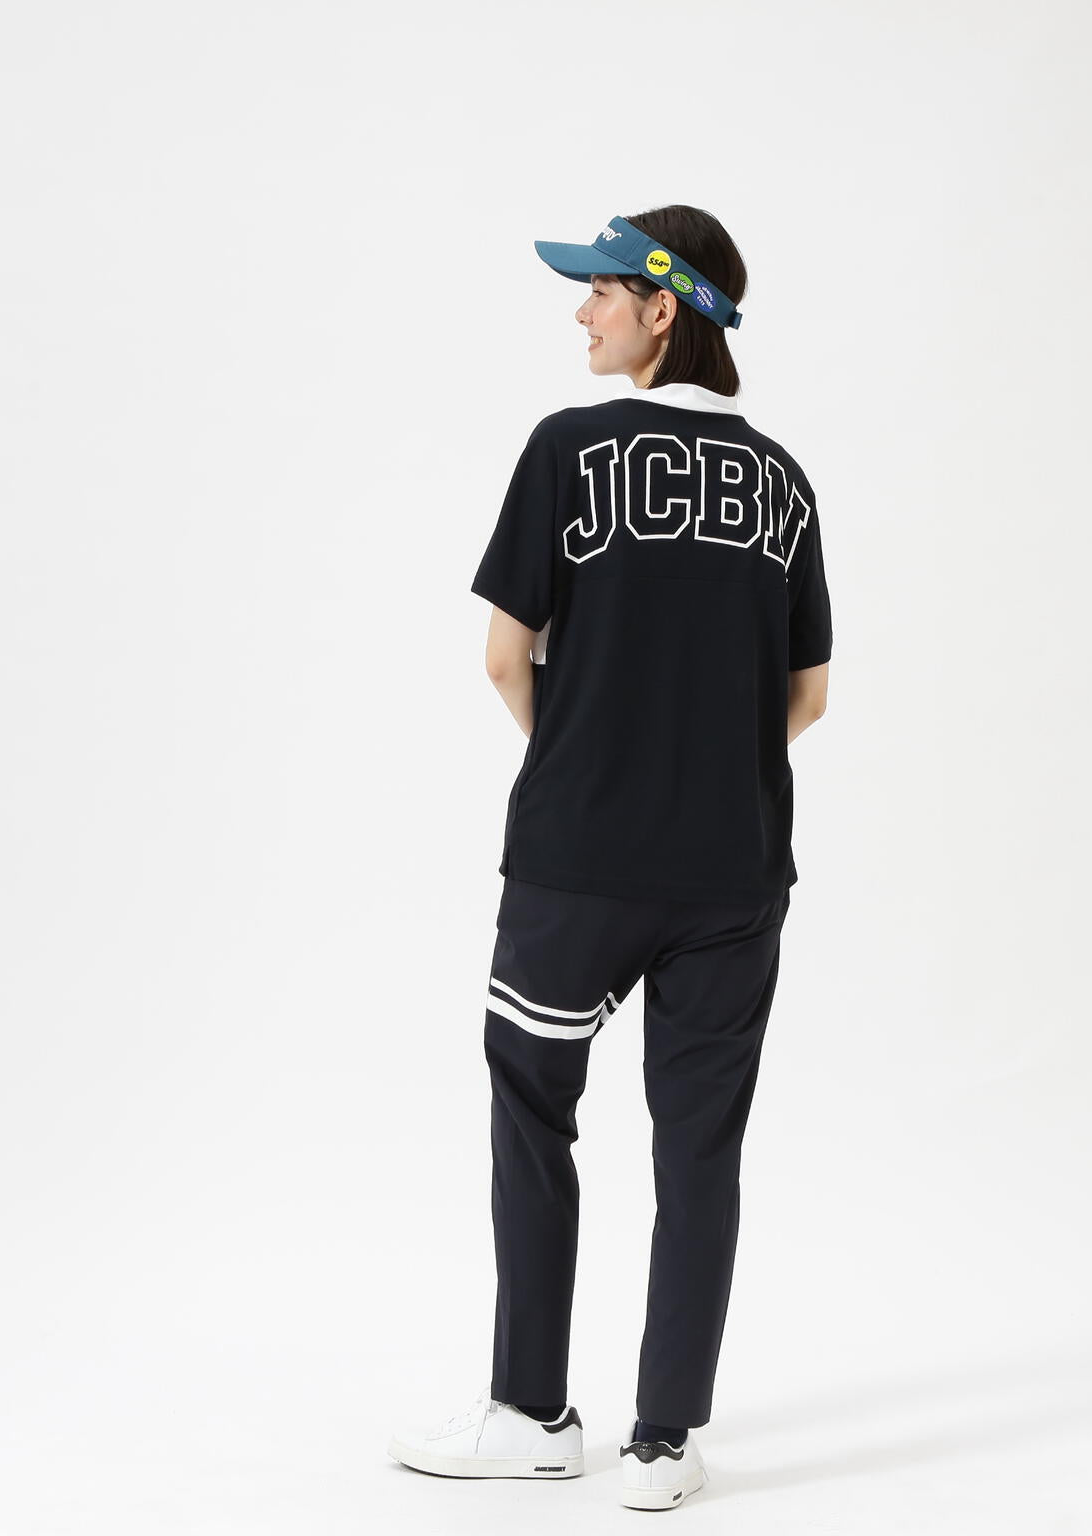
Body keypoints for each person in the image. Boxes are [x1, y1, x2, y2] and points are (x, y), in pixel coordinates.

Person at [387, 205, 832, 1512]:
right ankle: (663, 1442)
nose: (581, 312)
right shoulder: (786, 483)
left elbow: (502, 658)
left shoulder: (568, 449)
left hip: (576, 865)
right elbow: (807, 696)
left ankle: (532, 1413)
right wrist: (702, 768)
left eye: (598, 292)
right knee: (700, 1151)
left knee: (534, 1114)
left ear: (662, 306)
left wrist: (588, 753)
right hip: (733, 875)